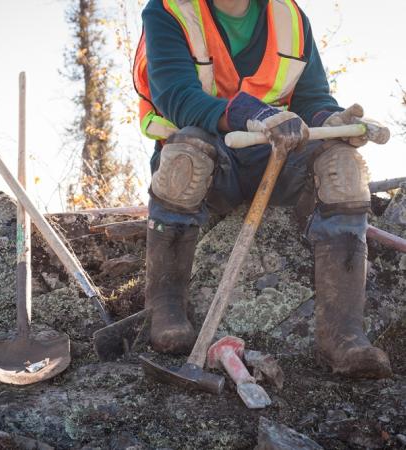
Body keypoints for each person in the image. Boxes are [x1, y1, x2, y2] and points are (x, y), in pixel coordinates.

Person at [133, 0, 392, 378]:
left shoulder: (289, 17)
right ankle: (165, 309)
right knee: (184, 160)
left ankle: (344, 337)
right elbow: (175, 96)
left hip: (275, 159)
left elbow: (312, 99)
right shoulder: (169, 11)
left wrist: (331, 120)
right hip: (213, 162)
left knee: (341, 166)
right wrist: (248, 114)